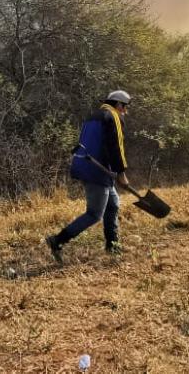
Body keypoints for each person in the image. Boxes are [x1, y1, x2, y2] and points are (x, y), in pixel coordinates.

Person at [46, 90, 132, 265]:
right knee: (94, 214)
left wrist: (113, 172)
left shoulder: (93, 116)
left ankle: (112, 246)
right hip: (96, 170)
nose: (125, 112)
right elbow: (116, 147)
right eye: (125, 107)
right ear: (118, 104)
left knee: (113, 205)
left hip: (85, 164)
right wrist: (122, 173)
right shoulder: (113, 116)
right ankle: (57, 240)